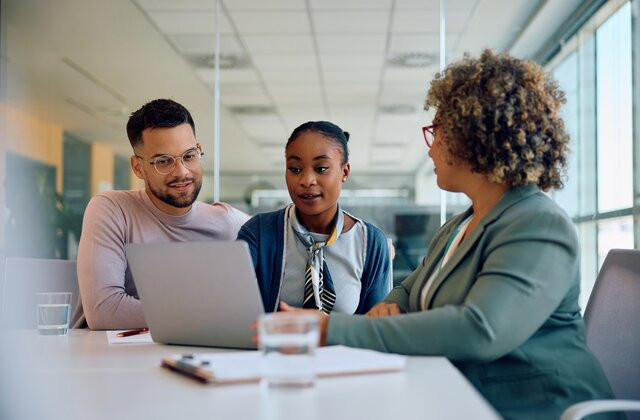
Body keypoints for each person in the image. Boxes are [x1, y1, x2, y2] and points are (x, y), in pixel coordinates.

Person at [279, 51, 615, 419]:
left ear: (473, 136)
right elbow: (408, 291)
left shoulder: (538, 224)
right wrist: (388, 308)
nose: (431, 146)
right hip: (459, 396)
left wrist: (334, 330)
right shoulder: (459, 226)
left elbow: (479, 329)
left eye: (436, 131)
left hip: (537, 407)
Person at [75, 99, 248, 330]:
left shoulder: (228, 222)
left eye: (189, 156)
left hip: (190, 351)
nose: (182, 172)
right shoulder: (112, 209)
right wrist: (213, 311)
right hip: (106, 356)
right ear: (138, 167)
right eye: (163, 161)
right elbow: (104, 311)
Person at [238, 121, 392, 315]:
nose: (306, 180)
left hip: (342, 345)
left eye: (320, 169)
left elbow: (375, 328)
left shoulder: (371, 243)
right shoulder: (259, 232)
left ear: (344, 172)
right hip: (274, 344)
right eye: (295, 169)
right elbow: (235, 310)